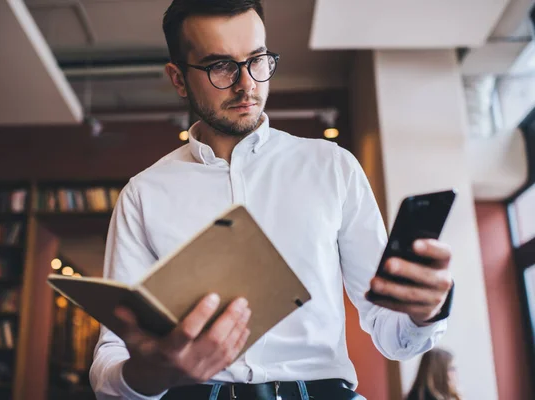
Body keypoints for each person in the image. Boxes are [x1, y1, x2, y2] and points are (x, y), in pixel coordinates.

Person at [89, 0, 455, 399]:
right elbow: (112, 357)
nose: (247, 84)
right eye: (221, 67)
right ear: (178, 79)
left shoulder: (333, 166)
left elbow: (395, 338)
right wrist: (148, 372)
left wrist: (424, 313)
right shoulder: (143, 195)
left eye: (257, 60)